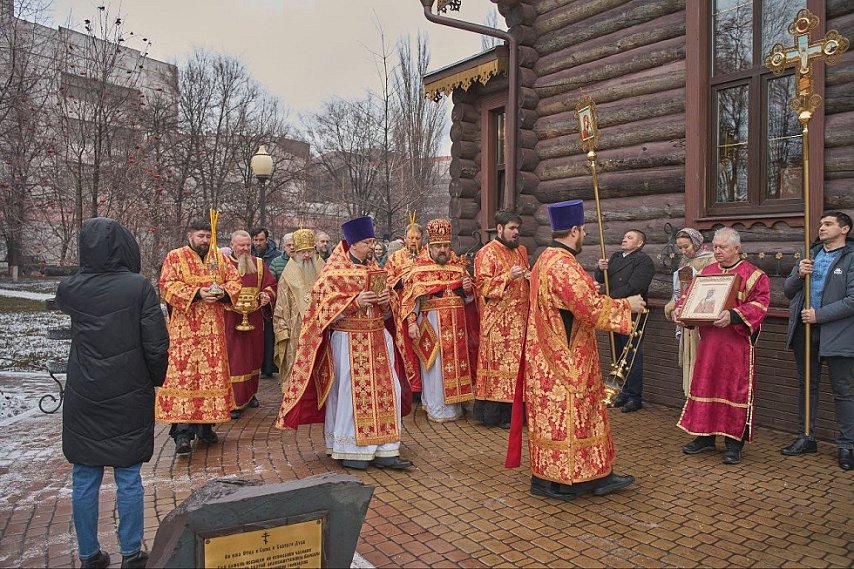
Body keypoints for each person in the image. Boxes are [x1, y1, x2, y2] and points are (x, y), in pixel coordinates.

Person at [507, 199, 646, 501]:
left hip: (544, 358)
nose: (584, 235)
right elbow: (589, 310)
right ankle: (578, 480)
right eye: (583, 230)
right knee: (572, 419)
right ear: (573, 230)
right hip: (566, 361)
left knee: (549, 421)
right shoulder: (563, 264)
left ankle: (546, 480)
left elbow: (568, 303)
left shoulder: (544, 259)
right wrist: (627, 306)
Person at [56, 218, 169, 569]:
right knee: (128, 476)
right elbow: (156, 343)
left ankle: (89, 555)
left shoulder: (70, 288)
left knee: (85, 476)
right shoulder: (138, 287)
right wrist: (156, 378)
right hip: (128, 388)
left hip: (84, 390)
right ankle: (132, 552)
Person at [276, 216, 412, 470]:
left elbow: (389, 309)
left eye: (373, 242)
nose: (373, 246)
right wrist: (354, 303)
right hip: (348, 340)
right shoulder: (332, 272)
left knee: (389, 389)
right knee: (350, 393)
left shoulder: (377, 269)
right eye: (368, 242)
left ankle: (386, 449)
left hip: (378, 340)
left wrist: (385, 300)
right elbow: (320, 309)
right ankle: (350, 449)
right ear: (353, 243)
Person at [676, 227, 770, 465]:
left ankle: (732, 444)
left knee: (732, 389)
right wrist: (682, 310)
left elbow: (760, 305)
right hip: (709, 344)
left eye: (723, 247)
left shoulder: (754, 275)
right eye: (715, 246)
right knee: (705, 385)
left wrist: (734, 315)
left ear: (737, 248)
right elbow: (689, 297)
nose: (717, 251)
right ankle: (705, 436)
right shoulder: (706, 272)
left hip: (735, 344)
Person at [157, 220, 242, 455]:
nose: (204, 240)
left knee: (209, 379)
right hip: (184, 333)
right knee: (184, 379)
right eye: (200, 236)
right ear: (190, 235)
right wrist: (197, 293)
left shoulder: (219, 258)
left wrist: (223, 293)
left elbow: (235, 281)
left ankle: (206, 427)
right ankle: (182, 434)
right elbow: (166, 285)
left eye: (207, 236)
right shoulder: (175, 257)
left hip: (213, 333)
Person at [780, 211, 854, 471]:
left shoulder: (851, 258)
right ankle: (806, 437)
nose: (821, 228)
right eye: (821, 224)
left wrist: (819, 315)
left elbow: (853, 300)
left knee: (843, 391)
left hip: (838, 333)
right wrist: (799, 275)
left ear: (844, 229)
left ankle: (847, 445)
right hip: (805, 331)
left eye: (828, 224)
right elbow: (788, 292)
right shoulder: (809, 255)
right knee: (806, 386)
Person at [401, 218, 476, 422]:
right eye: (438, 246)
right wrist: (411, 323)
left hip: (458, 326)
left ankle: (457, 407)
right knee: (435, 367)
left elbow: (468, 299)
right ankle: (436, 409)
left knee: (458, 364)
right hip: (432, 325)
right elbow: (410, 299)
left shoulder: (458, 268)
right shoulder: (419, 270)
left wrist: (469, 291)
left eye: (446, 246)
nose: (443, 250)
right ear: (430, 247)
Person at [473, 210, 530, 429]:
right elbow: (482, 286)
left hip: (521, 320)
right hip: (498, 322)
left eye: (518, 228)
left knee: (518, 369)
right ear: (499, 229)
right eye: (512, 228)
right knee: (501, 368)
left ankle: (517, 413)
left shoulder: (521, 251)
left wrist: (528, 277)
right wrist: (508, 277)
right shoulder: (486, 253)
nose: (516, 233)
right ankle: (499, 416)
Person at [594, 229, 655, 412]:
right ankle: (622, 392)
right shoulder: (615, 258)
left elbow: (635, 285)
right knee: (617, 353)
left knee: (632, 354)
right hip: (615, 310)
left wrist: (611, 299)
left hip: (633, 311)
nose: (624, 239)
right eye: (624, 236)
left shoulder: (643, 261)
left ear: (640, 244)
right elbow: (600, 279)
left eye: (630, 237)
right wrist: (600, 268)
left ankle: (635, 396)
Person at [223, 230, 277, 419]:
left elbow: (271, 285)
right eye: (241, 245)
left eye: (248, 245)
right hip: (230, 319)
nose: (245, 248)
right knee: (236, 359)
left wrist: (266, 296)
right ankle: (235, 401)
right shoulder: (223, 265)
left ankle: (250, 394)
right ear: (232, 245)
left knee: (253, 357)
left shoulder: (259, 264)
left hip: (253, 318)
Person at [664, 228, 715, 396]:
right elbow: (677, 291)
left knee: (702, 363)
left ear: (696, 243)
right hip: (685, 320)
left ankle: (701, 399)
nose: (683, 251)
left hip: (701, 321)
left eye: (686, 246)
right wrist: (672, 308)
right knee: (689, 361)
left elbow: (711, 290)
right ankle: (690, 399)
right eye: (680, 248)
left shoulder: (710, 260)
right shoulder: (684, 262)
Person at [273, 228, 325, 393]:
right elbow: (280, 306)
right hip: (296, 330)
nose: (307, 256)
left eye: (310, 251)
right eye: (303, 252)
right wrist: (282, 331)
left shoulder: (324, 271)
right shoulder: (287, 276)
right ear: (295, 253)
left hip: (320, 328)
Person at [386, 221, 426, 398]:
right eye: (410, 237)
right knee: (407, 347)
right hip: (401, 310)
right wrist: (401, 282)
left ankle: (426, 385)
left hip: (424, 307)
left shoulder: (428, 255)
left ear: (422, 239)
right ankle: (412, 385)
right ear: (404, 238)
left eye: (417, 238)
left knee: (426, 344)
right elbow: (386, 280)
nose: (413, 241)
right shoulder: (395, 258)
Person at [250, 227, 281, 378]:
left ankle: (268, 367)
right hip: (248, 305)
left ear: (267, 240)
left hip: (265, 305)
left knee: (268, 336)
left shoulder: (275, 257)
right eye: (255, 240)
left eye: (261, 240)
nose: (258, 243)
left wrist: (268, 295)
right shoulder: (247, 255)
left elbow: (272, 281)